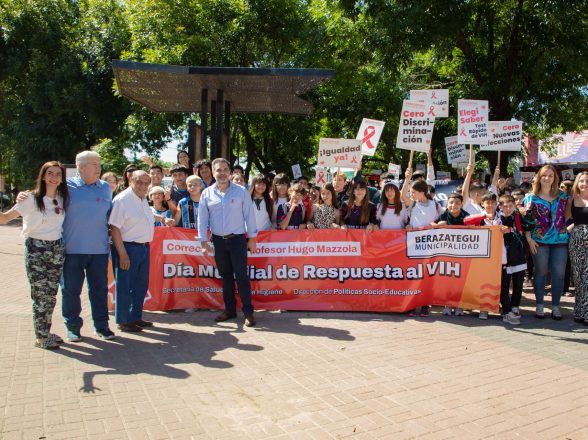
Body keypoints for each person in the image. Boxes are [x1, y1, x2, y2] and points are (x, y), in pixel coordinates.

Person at [0, 161, 68, 349]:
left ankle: (45, 331)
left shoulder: (62, 198)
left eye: (58, 174)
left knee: (51, 294)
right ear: (43, 176)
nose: (54, 177)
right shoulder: (31, 198)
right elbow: (5, 218)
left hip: (56, 248)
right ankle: (41, 337)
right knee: (40, 294)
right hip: (36, 249)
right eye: (50, 173)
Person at [198, 158, 258, 327]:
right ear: (213, 172)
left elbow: (249, 216)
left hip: (238, 240)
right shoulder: (206, 193)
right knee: (225, 277)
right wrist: (203, 241)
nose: (222, 173)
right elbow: (202, 219)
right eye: (218, 170)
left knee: (241, 276)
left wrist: (252, 238)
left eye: (225, 169)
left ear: (230, 172)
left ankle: (248, 312)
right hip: (218, 241)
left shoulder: (241, 192)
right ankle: (230, 310)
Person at [62, 151, 114, 341]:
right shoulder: (66, 187)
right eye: (94, 164)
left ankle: (102, 326)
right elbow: (43, 196)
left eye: (99, 164)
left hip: (99, 251)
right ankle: (73, 327)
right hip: (72, 250)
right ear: (81, 167)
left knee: (100, 291)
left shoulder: (106, 187)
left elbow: (111, 216)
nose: (99, 167)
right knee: (71, 291)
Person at [109, 171, 155, 332]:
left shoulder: (142, 199)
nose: (143, 186)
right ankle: (123, 320)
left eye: (146, 183)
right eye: (139, 182)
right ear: (130, 181)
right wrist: (123, 254)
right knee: (125, 286)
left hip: (143, 248)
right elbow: (114, 228)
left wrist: (161, 219)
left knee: (140, 286)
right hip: (128, 247)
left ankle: (135, 316)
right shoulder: (122, 200)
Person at [524, 164, 570, 320]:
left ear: (555, 178)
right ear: (539, 177)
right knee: (541, 272)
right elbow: (526, 221)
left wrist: (568, 229)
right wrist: (529, 239)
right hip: (539, 241)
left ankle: (556, 306)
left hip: (560, 240)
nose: (547, 178)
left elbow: (571, 215)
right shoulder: (530, 197)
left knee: (558, 273)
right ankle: (540, 305)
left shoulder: (563, 197)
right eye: (544, 175)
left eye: (550, 175)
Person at [498, 194, 535, 325]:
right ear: (500, 207)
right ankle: (506, 308)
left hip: (519, 255)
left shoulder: (518, 216)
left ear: (514, 205)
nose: (507, 209)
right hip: (503, 257)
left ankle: (515, 306)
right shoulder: (498, 219)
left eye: (510, 206)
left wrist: (527, 214)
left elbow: (531, 225)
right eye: (504, 206)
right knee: (505, 285)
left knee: (518, 284)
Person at [433, 193, 469, 316]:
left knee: (460, 281)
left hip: (462, 255)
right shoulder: (443, 215)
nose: (453, 205)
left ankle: (459, 306)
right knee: (448, 279)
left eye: (457, 203)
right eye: (451, 203)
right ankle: (447, 305)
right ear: (447, 204)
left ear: (462, 204)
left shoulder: (467, 217)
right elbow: (431, 225)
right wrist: (437, 225)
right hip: (446, 255)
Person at [566, 171, 588, 325]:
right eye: (581, 181)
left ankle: (586, 312)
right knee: (578, 277)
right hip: (575, 240)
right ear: (577, 183)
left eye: (587, 181)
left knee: (587, 277)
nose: (584, 184)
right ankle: (579, 311)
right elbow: (567, 219)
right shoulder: (572, 199)